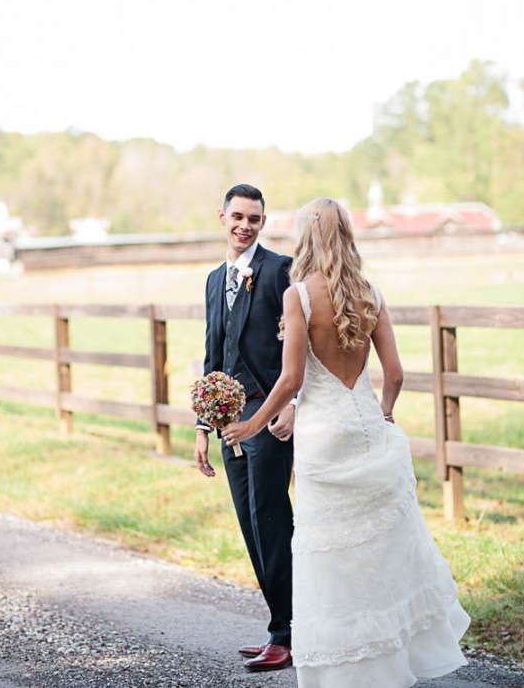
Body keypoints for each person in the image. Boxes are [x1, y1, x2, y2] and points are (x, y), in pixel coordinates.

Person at [223, 198, 470, 687]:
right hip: (366, 428)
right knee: (377, 548)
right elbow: (395, 374)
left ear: (305, 237)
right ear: (348, 234)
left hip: (323, 436)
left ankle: (344, 666)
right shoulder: (371, 293)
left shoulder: (300, 296)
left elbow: (292, 380)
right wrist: (385, 412)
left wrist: (252, 426)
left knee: (330, 552)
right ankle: (390, 658)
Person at [194, 184, 295, 673]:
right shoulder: (214, 280)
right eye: (238, 216)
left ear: (263, 222)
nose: (245, 226)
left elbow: (302, 346)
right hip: (229, 425)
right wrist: (202, 426)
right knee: (250, 526)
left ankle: (288, 634)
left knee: (273, 523)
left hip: (270, 418)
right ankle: (279, 625)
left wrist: (292, 404)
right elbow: (213, 356)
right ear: (222, 217)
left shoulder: (280, 270)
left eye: (254, 219)